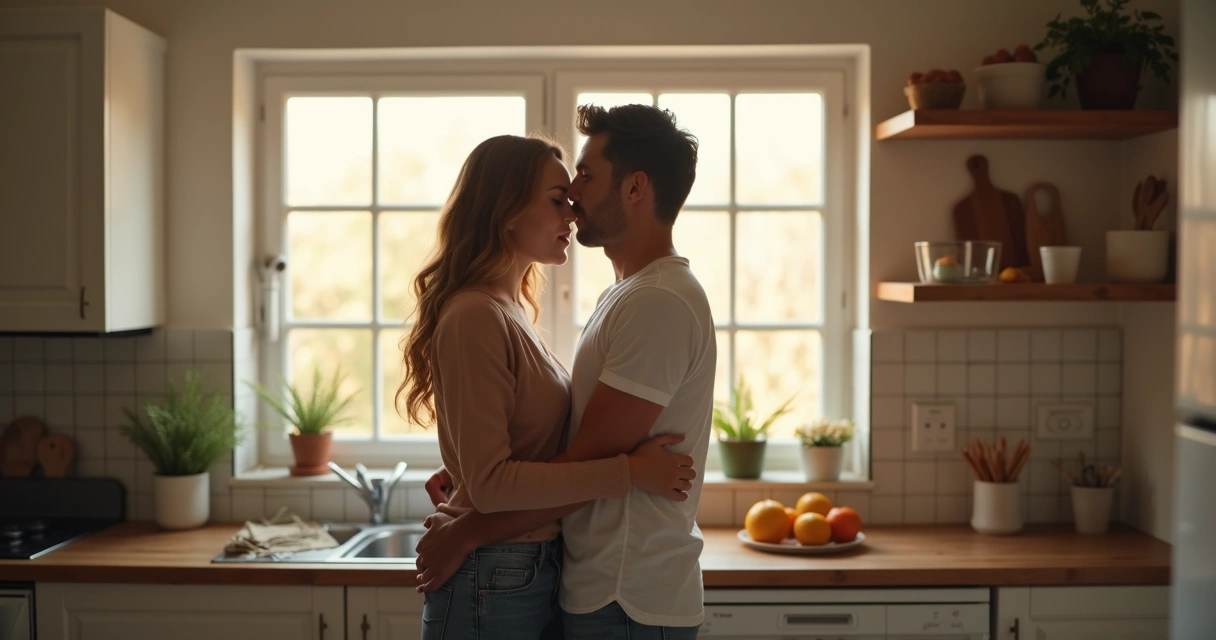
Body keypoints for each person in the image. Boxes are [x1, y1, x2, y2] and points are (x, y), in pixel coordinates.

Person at [415, 104, 715, 640]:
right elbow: (515, 472)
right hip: (569, 580)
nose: (574, 202)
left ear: (634, 188)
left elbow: (584, 461)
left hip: (622, 591)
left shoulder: (657, 301)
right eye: (559, 195)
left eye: (583, 176)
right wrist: (471, 490)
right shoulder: (612, 298)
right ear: (507, 212)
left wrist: (468, 529)